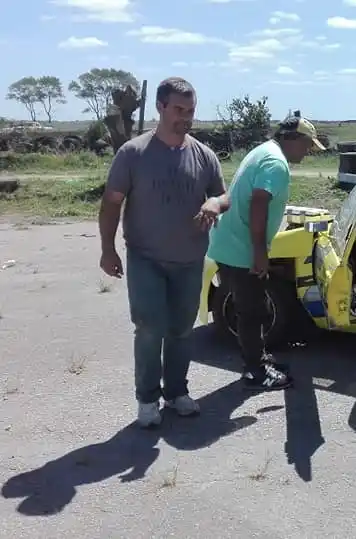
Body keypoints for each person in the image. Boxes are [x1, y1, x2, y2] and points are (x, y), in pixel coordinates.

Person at [99, 77, 230, 428]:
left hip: (189, 259)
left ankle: (176, 392)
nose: (185, 117)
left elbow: (223, 195)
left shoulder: (204, 155)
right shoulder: (134, 153)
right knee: (149, 327)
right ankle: (146, 399)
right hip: (146, 257)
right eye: (178, 109)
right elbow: (111, 203)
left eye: (190, 111)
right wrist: (107, 249)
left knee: (182, 329)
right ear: (160, 107)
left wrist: (215, 203)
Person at [206, 116, 326, 391]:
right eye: (307, 145)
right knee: (252, 312)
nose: (308, 152)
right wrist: (260, 251)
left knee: (252, 307)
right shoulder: (275, 163)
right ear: (292, 139)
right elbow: (258, 203)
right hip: (241, 248)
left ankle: (258, 358)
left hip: (231, 243)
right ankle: (256, 371)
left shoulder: (265, 151)